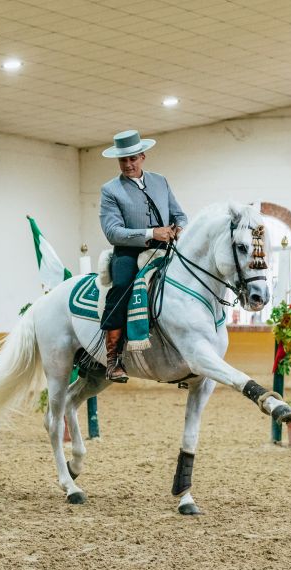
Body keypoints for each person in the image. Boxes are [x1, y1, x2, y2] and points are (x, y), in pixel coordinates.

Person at [99, 130, 188, 382]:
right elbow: (113, 231)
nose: (128, 165)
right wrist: (152, 232)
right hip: (128, 252)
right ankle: (113, 358)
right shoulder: (110, 190)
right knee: (122, 288)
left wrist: (178, 228)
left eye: (133, 159)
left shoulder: (161, 181)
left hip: (164, 249)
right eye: (123, 161)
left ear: (143, 156)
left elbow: (179, 215)